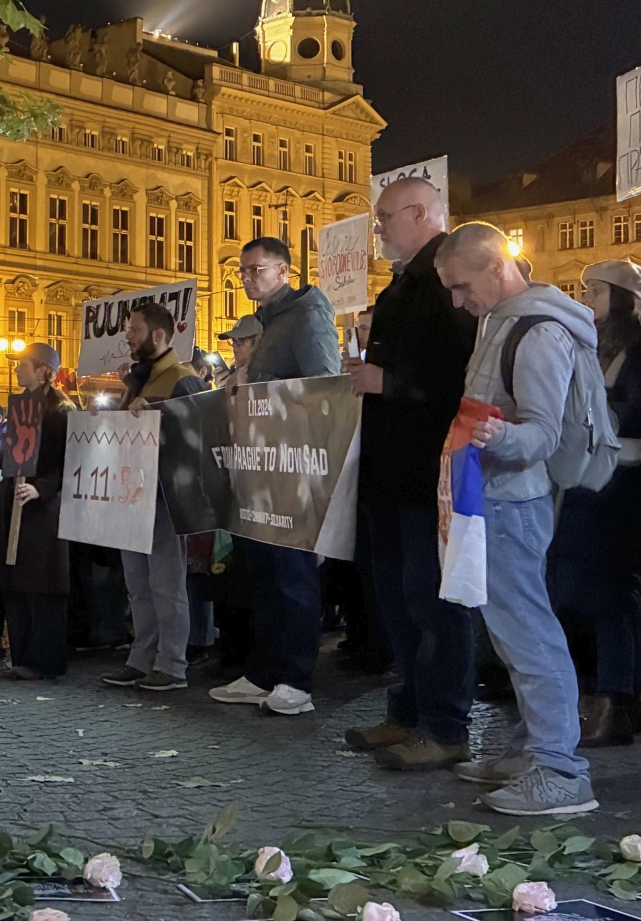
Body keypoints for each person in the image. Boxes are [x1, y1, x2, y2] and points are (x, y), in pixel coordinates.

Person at [433, 221, 602, 815]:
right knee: (514, 631)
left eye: (460, 286)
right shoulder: (505, 323)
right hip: (496, 499)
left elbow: (541, 435)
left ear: (497, 267)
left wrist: (496, 434)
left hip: (513, 500)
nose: (457, 300)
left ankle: (560, 769)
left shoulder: (535, 332)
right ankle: (536, 749)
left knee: (527, 632)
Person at [343, 177, 480, 771]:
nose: (379, 231)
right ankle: (408, 712)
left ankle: (444, 725)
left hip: (427, 472)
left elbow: (461, 383)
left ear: (421, 213)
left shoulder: (448, 284)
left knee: (433, 602)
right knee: (399, 600)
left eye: (386, 219)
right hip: (391, 469)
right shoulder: (403, 285)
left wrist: (388, 382)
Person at [209, 237, 339, 717]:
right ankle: (263, 671)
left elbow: (324, 382)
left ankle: (297, 679)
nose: (245, 277)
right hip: (260, 464)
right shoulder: (263, 323)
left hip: (292, 466)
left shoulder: (305, 316)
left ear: (283, 271)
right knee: (260, 573)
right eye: (242, 271)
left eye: (255, 269)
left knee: (292, 574)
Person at [549, 260, 641, 747]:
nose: (588, 298)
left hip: (622, 485)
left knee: (613, 595)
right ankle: (602, 694)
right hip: (585, 480)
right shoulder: (593, 348)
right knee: (577, 591)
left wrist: (589, 415)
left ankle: (618, 696)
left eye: (597, 290)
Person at [104, 303, 208, 692]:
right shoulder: (136, 382)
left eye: (134, 329)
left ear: (159, 335)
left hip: (164, 499)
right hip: (133, 496)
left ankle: (172, 664)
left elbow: (198, 439)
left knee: (166, 583)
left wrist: (157, 419)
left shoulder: (182, 379)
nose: (128, 337)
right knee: (138, 584)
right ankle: (141, 657)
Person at [0, 344, 74, 680]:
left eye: (22, 364)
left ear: (43, 370)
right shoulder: (19, 407)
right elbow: (12, 455)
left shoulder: (62, 409)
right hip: (15, 504)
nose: (16, 370)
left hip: (44, 509)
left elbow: (71, 460)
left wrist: (42, 488)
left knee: (42, 584)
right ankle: (21, 656)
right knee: (16, 582)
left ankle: (44, 660)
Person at [216, 314, 262, 388]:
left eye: (240, 340)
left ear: (258, 341)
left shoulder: (270, 377)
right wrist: (222, 391)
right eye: (233, 340)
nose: (234, 345)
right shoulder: (232, 374)